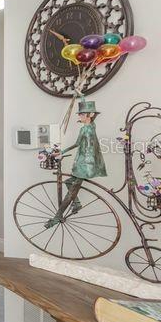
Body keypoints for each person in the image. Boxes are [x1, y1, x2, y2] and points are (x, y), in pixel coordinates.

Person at [45, 97, 106, 228]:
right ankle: (77, 204)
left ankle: (58, 216)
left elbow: (85, 147)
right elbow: (78, 144)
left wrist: (84, 164)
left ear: (91, 115)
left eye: (82, 114)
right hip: (83, 162)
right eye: (80, 114)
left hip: (85, 164)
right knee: (68, 182)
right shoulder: (90, 127)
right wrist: (62, 152)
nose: (80, 116)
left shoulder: (87, 129)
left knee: (71, 192)